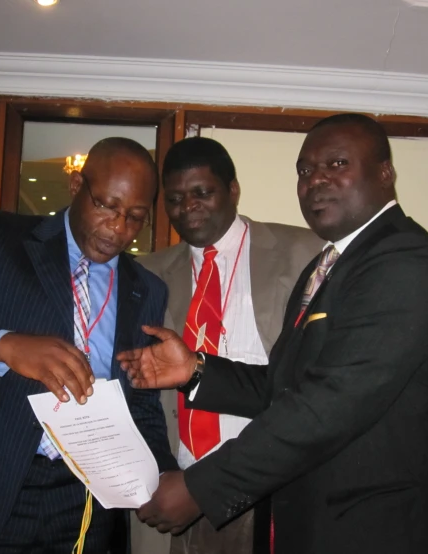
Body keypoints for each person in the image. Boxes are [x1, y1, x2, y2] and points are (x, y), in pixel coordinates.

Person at [118, 114, 428, 554]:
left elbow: (329, 403)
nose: (316, 179)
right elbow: (284, 385)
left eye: (337, 164)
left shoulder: (403, 260)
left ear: (385, 172)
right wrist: (195, 370)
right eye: (305, 170)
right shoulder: (326, 267)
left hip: (400, 527)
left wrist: (201, 487)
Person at [0, 137, 178, 554]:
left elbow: (142, 401)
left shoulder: (146, 289)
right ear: (77, 187)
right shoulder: (1, 240)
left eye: (135, 217)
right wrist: (4, 345)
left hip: (85, 502)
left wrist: (161, 473)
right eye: (106, 206)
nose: (118, 228)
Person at [132, 136, 322, 554]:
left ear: (233, 190)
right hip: (172, 491)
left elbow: (313, 387)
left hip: (267, 492)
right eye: (176, 198)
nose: (188, 207)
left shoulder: (304, 252)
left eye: (202, 192)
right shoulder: (145, 274)